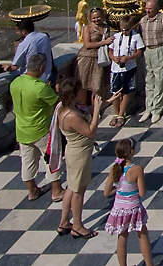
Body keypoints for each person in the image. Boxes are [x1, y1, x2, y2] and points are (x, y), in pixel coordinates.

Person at [10, 53, 64, 202]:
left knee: (27, 162)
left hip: (22, 130)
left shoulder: (15, 83)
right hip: (41, 130)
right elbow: (58, 103)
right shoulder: (40, 88)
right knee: (52, 159)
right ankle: (57, 190)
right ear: (41, 68)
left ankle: (32, 190)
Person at [56, 77, 102, 239]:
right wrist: (97, 111)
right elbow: (90, 131)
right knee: (78, 191)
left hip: (75, 153)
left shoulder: (64, 107)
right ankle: (77, 225)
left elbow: (84, 111)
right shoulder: (70, 116)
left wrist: (104, 102)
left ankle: (64, 222)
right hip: (79, 155)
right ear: (74, 93)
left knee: (71, 187)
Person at [104, 138, 155, 266]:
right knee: (142, 235)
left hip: (119, 209)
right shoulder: (137, 169)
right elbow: (142, 193)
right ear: (131, 152)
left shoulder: (114, 168)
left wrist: (119, 190)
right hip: (134, 208)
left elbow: (106, 192)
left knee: (122, 237)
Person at [139, 0, 163, 124]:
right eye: (146, 8)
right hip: (147, 51)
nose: (147, 10)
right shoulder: (143, 20)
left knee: (159, 80)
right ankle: (148, 108)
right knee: (149, 80)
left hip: (159, 50)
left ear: (156, 8)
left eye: (150, 8)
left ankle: (157, 110)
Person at [106, 17, 144, 127]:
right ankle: (116, 113)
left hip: (129, 67)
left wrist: (128, 58)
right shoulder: (116, 37)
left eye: (126, 30)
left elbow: (139, 52)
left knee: (127, 91)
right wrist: (114, 58)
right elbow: (110, 51)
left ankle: (121, 113)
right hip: (115, 68)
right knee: (115, 91)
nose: (124, 32)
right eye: (122, 30)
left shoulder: (136, 37)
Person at [76, 8, 114, 114]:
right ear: (90, 18)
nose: (96, 20)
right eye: (94, 18)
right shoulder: (87, 28)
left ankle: (95, 109)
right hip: (87, 58)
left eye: (98, 17)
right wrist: (104, 42)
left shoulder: (106, 27)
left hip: (100, 59)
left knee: (97, 87)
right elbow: (87, 44)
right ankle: (82, 107)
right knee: (84, 85)